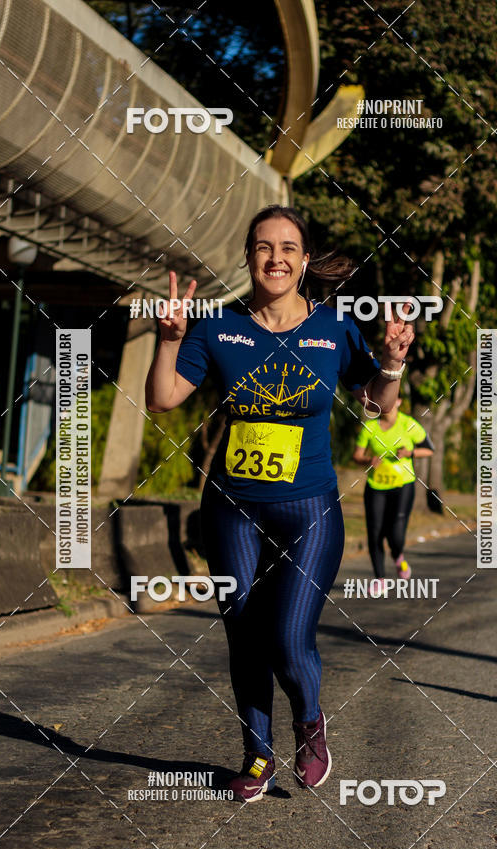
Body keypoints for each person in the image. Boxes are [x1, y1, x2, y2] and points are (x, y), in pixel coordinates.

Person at [145, 205, 414, 802]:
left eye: (288, 248)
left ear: (304, 260)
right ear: (248, 257)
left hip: (309, 510)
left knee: (290, 639)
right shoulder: (218, 328)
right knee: (243, 632)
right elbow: (162, 398)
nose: (276, 258)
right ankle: (257, 755)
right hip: (231, 508)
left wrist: (392, 362)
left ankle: (310, 721)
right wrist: (169, 340)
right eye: (264, 247)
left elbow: (376, 403)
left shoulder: (335, 329)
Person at [352, 398, 434, 591]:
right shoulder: (370, 427)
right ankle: (379, 579)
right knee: (374, 533)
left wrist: (410, 453)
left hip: (402, 485)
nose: (385, 403)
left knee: (395, 534)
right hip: (376, 486)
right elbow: (356, 455)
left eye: (390, 398)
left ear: (398, 401)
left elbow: (429, 450)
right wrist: (368, 460)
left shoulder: (408, 424)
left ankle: (397, 556)